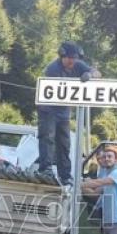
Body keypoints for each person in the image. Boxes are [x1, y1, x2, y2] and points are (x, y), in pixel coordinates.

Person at [37, 41, 98, 186]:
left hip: (64, 113)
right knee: (48, 138)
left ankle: (65, 175)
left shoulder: (78, 64)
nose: (72, 61)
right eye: (69, 58)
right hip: (48, 110)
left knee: (64, 144)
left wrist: (90, 74)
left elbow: (97, 73)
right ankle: (45, 169)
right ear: (62, 56)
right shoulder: (53, 69)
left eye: (74, 58)